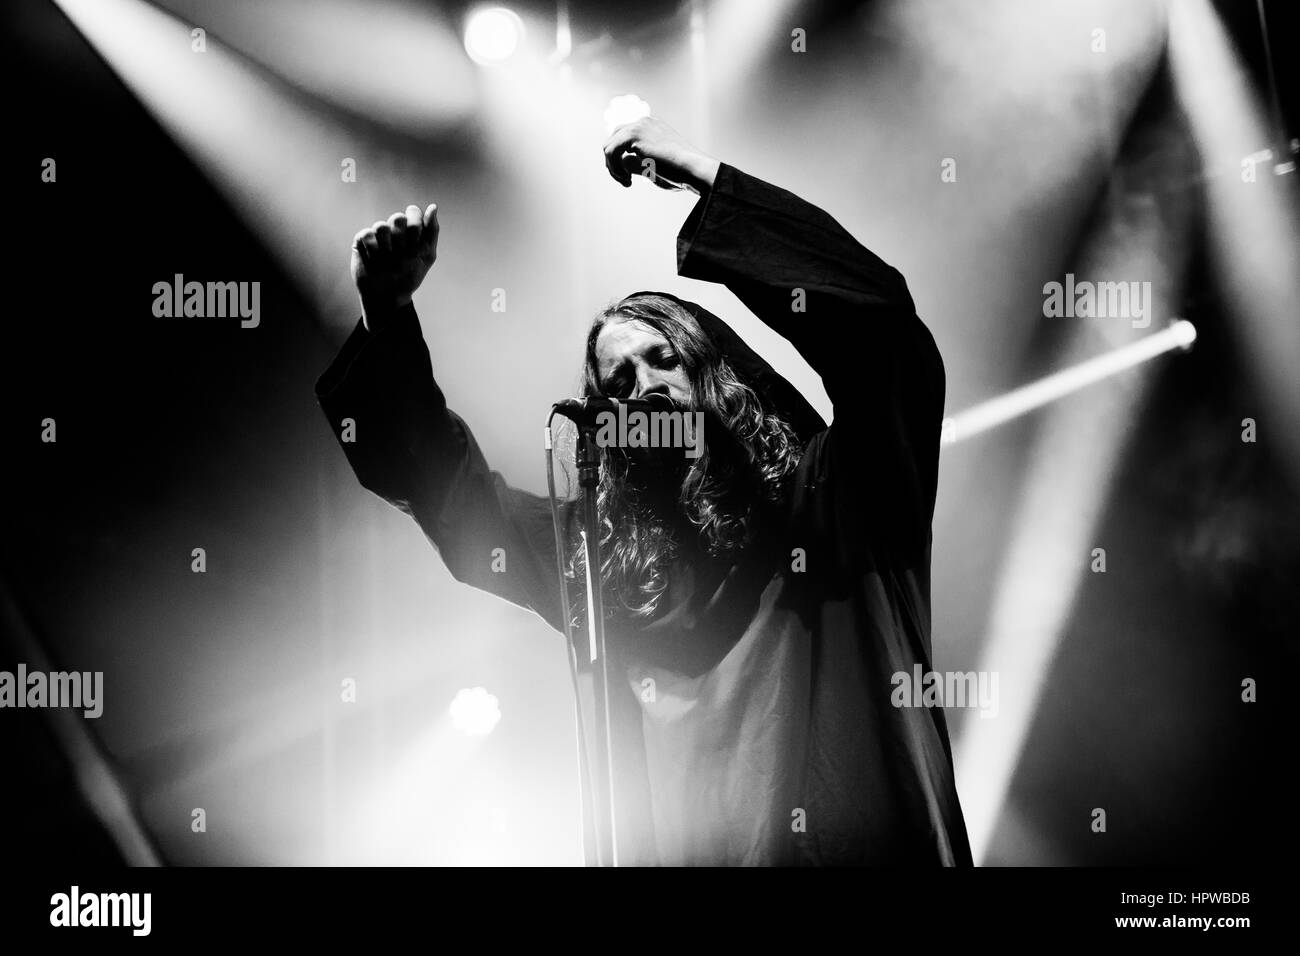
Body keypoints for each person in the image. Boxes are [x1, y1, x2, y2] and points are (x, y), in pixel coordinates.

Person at [316, 117, 972, 866]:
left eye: (665, 359)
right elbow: (458, 506)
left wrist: (708, 180)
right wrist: (386, 316)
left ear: (716, 374)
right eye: (619, 382)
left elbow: (883, 336)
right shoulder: (602, 567)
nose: (645, 389)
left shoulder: (838, 489)